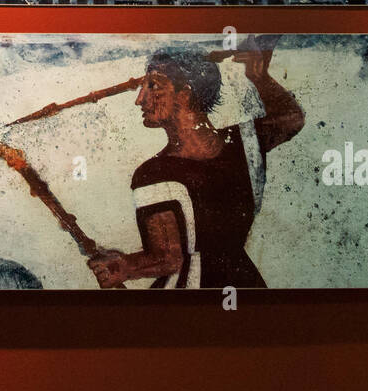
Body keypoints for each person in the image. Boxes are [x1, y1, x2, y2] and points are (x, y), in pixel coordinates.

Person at [86, 43, 304, 289]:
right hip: (244, 283)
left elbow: (168, 260)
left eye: (153, 86)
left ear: (184, 94)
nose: (140, 100)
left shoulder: (154, 173)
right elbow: (291, 118)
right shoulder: (242, 144)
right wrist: (259, 76)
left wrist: (124, 266)